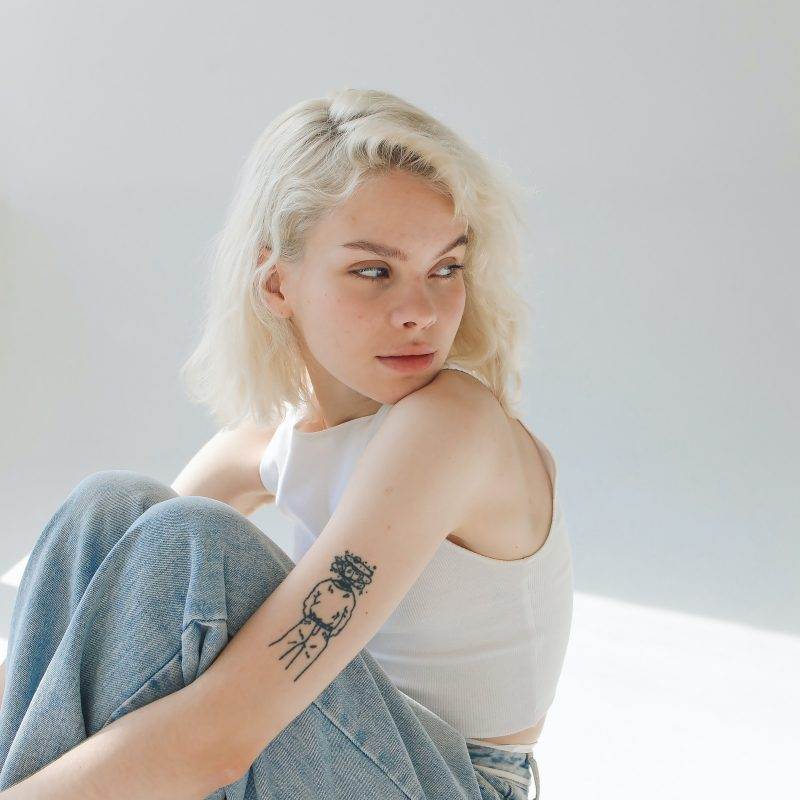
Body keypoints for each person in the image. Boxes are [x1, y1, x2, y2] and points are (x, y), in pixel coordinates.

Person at [0, 87, 572, 799]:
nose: (421, 312)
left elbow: (223, 738)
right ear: (277, 286)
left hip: (455, 783)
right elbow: (93, 621)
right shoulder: (270, 447)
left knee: (190, 540)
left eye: (445, 268)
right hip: (343, 760)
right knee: (109, 511)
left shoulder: (452, 424)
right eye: (374, 271)